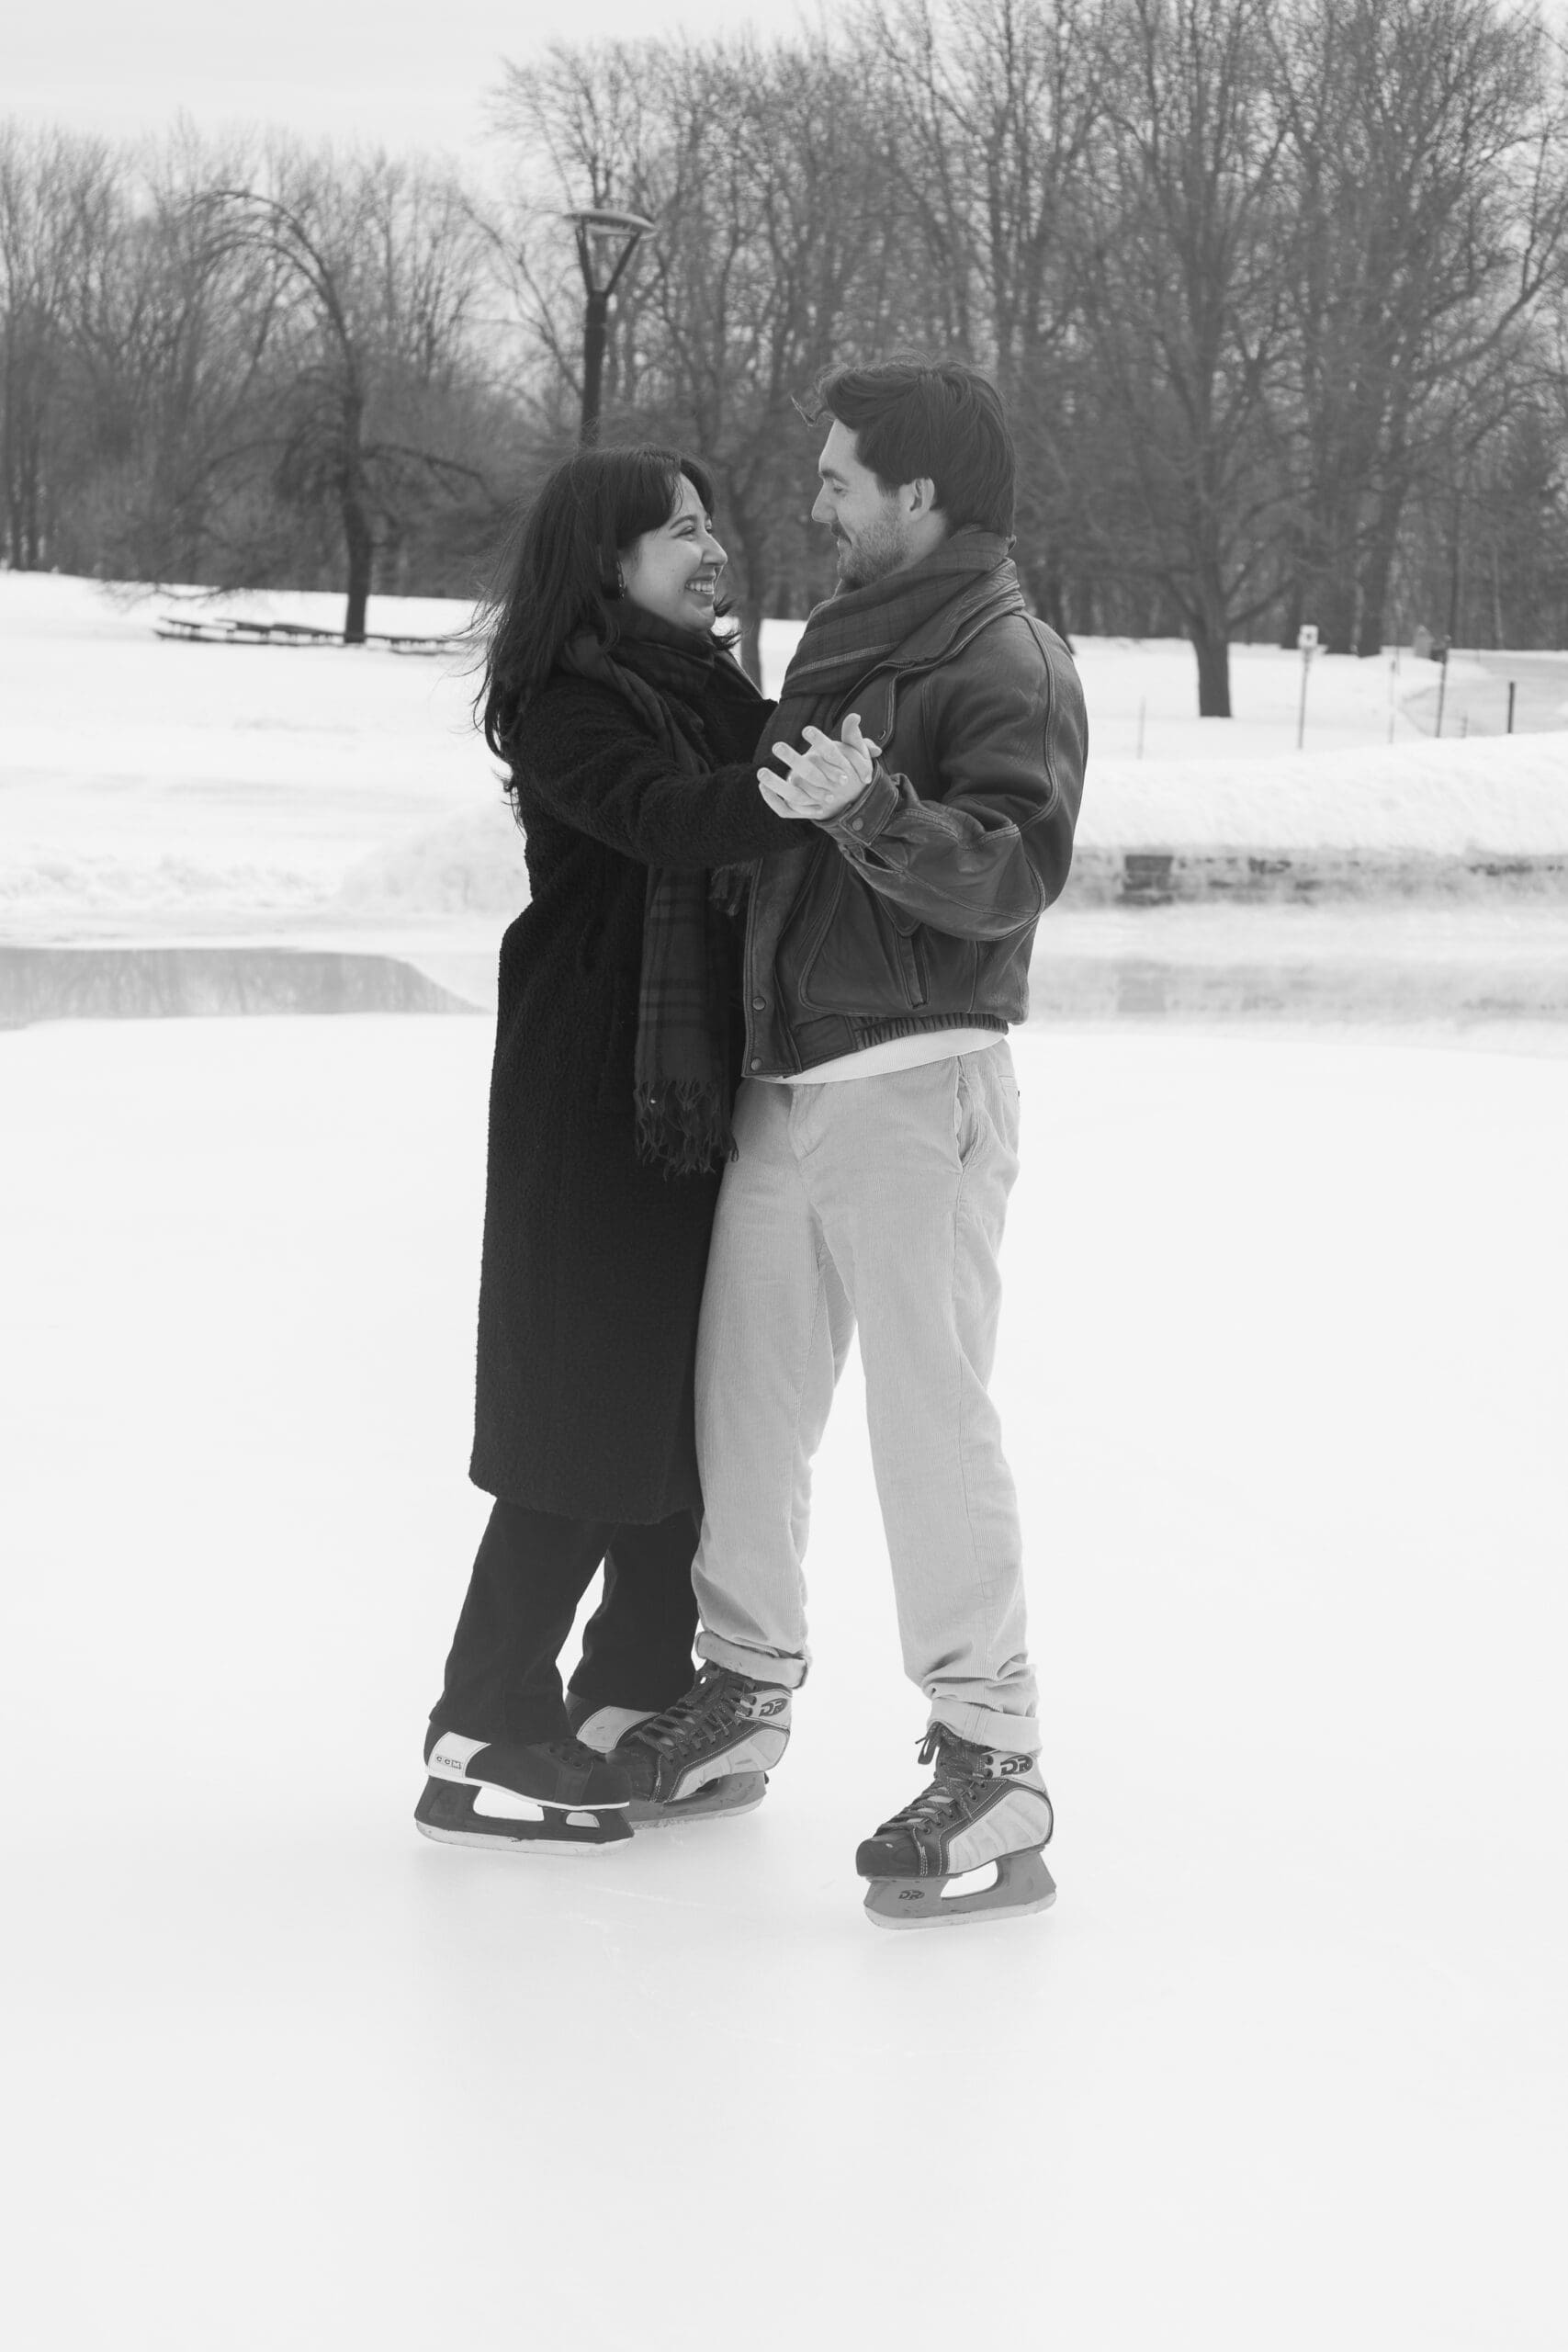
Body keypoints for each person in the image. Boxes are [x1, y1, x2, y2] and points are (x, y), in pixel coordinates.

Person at [607, 359, 1089, 1928]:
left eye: (837, 479)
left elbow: (1009, 876)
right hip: (788, 1075)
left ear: (918, 497)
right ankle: (742, 1691)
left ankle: (994, 1755)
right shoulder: (848, 635)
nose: (814, 499)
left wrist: (875, 809)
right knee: (743, 1407)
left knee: (924, 1424)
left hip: (918, 1081)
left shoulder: (1003, 654)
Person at [415, 446, 797, 1857]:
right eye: (678, 530)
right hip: (594, 1095)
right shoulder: (570, 701)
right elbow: (663, 818)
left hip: (692, 1093)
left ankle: (627, 1696)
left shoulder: (709, 687)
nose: (711, 548)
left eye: (712, 523)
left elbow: (758, 769)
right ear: (607, 561)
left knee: (677, 1413)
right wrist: (795, 793)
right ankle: (478, 1726)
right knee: (584, 1413)